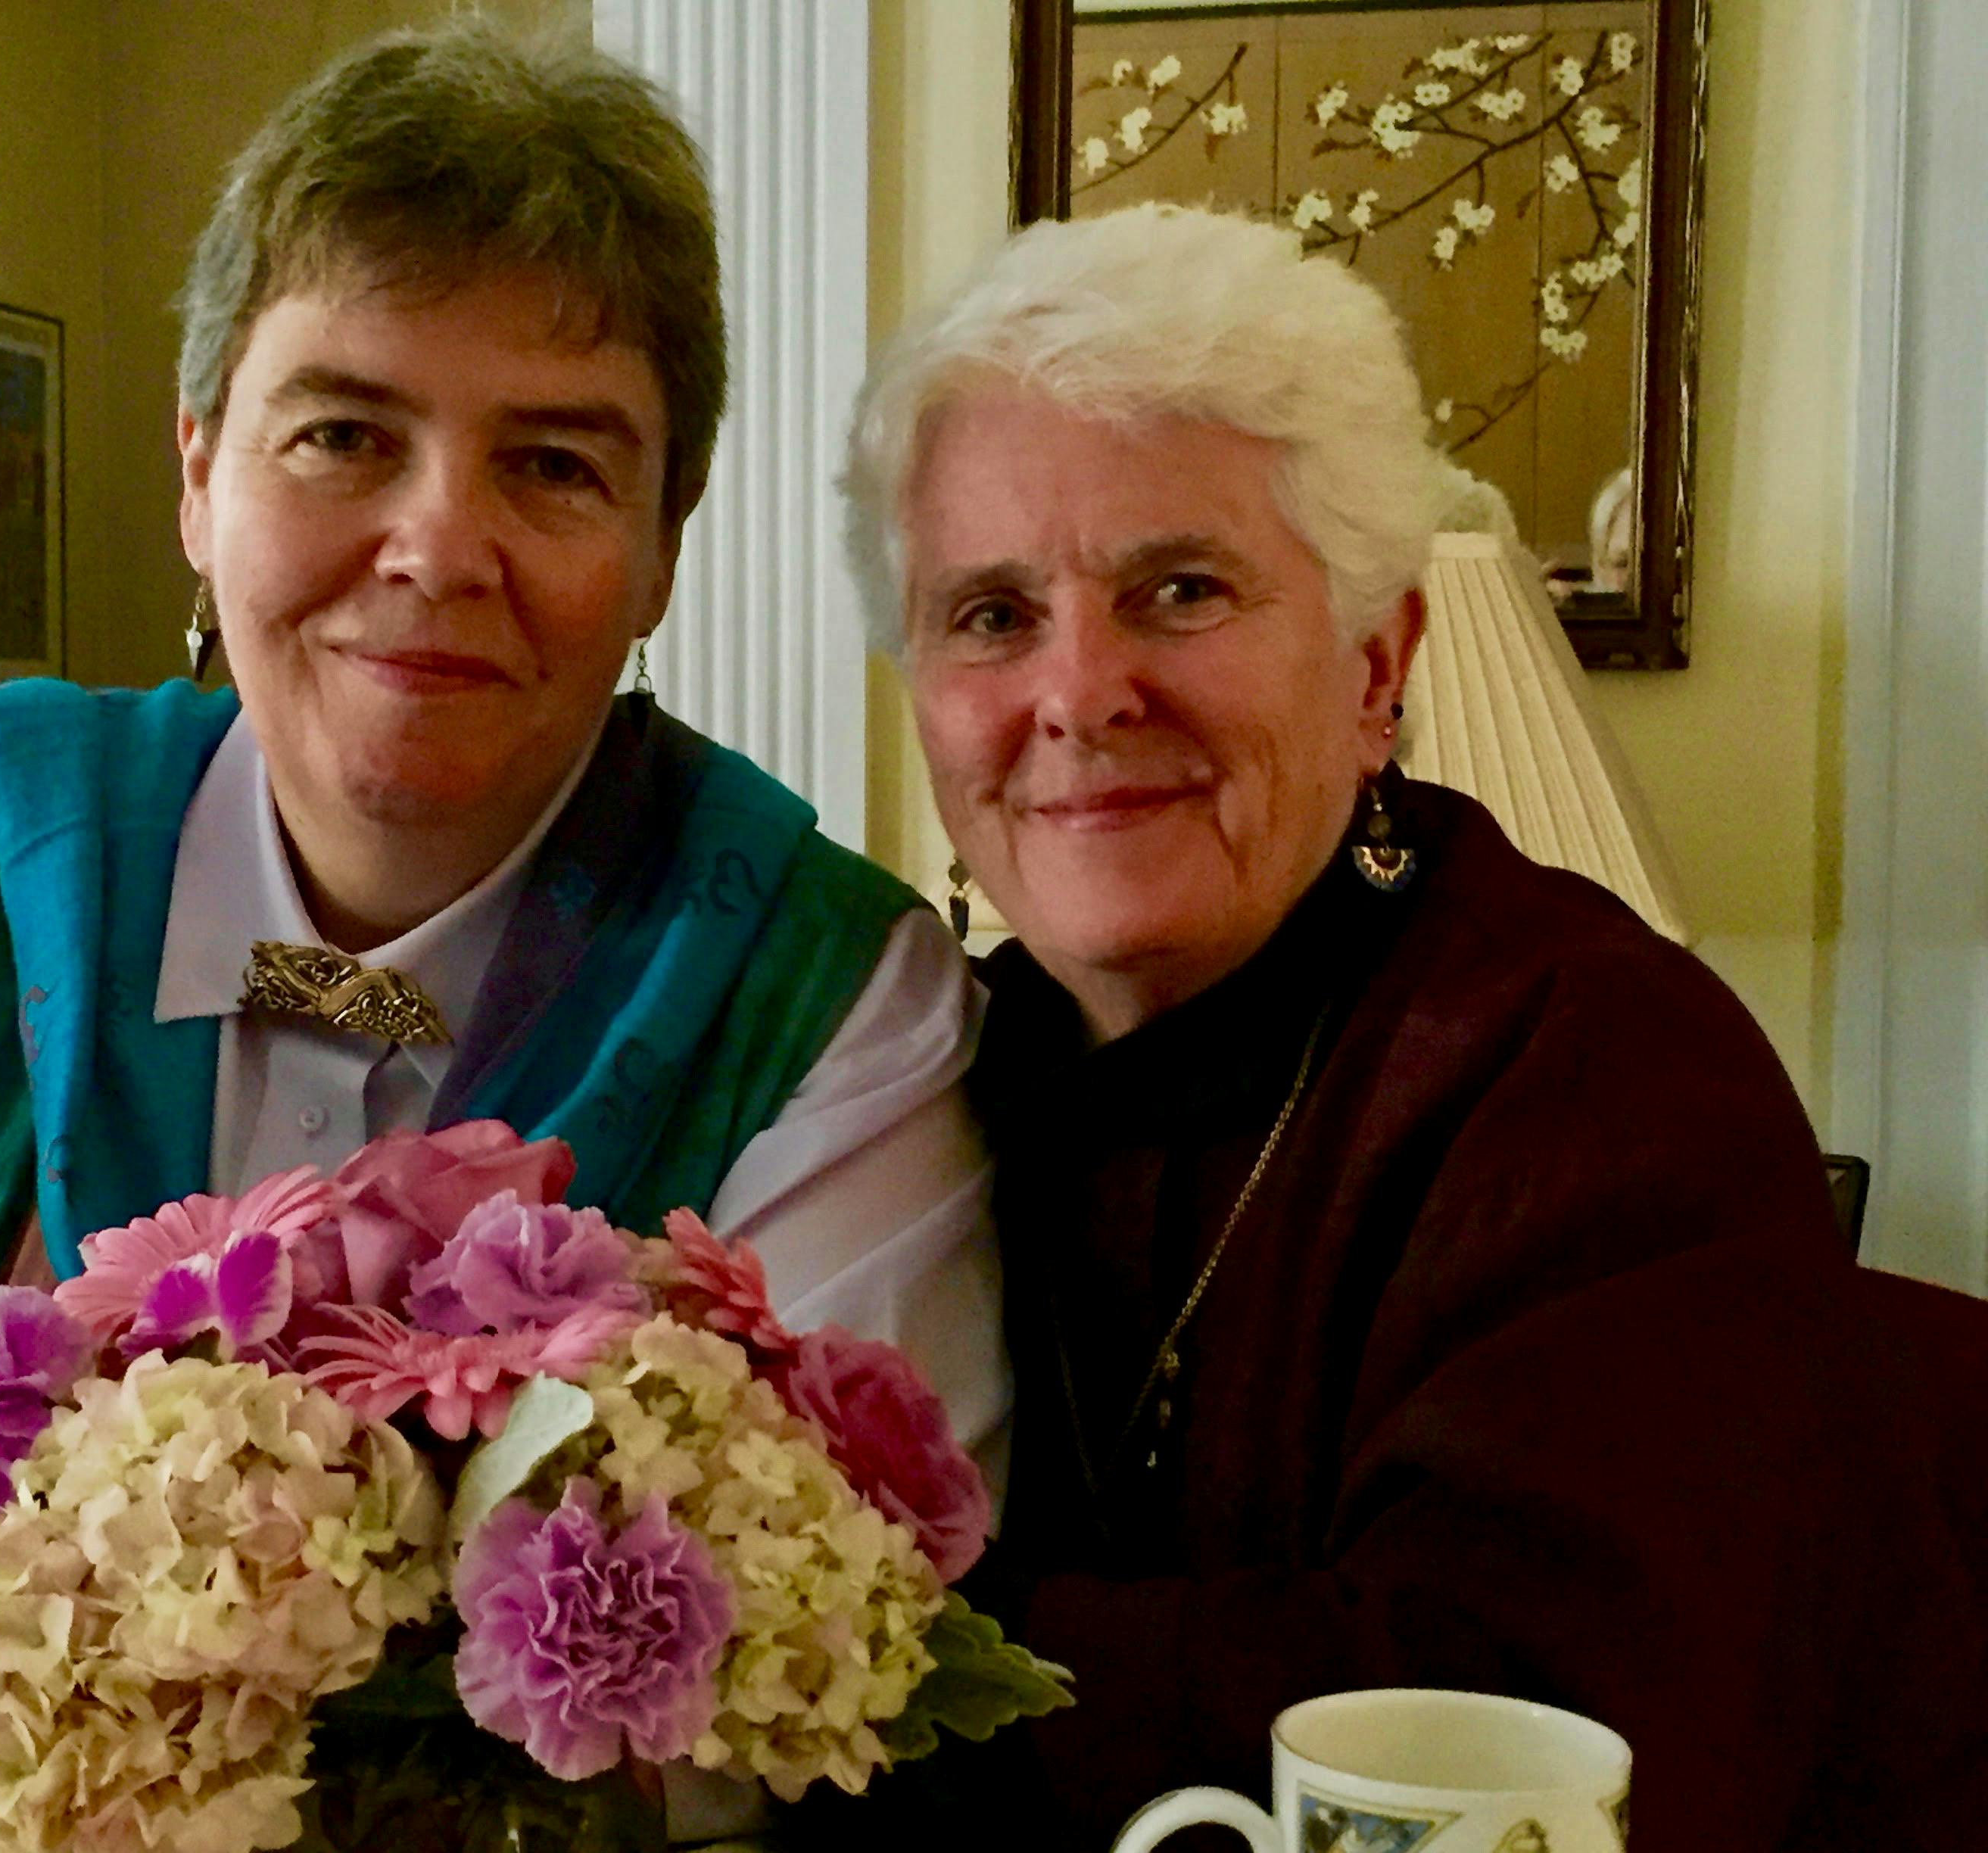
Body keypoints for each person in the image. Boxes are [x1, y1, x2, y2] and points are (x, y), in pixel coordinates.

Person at [0, 26, 1005, 1851]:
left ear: (662, 551)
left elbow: (800, 1686)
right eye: (344, 434)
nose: (436, 546)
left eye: (555, 465)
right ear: (199, 474)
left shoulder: (830, 999)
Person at [836, 202, 1988, 1848]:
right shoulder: (908, 1079)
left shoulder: (1599, 1069)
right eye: (992, 615)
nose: (1078, 695)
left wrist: (855, 1657)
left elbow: (1514, 1740)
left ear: (1376, 666)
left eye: (1180, 589)